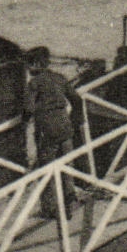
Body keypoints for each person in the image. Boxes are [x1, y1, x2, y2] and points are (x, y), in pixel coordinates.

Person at [23, 46, 81, 216]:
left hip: (48, 131)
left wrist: (24, 121)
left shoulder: (34, 83)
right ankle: (70, 203)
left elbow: (29, 108)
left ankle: (50, 209)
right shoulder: (59, 78)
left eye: (29, 65)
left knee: (47, 170)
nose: (28, 69)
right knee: (67, 166)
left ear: (37, 64)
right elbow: (77, 99)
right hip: (65, 127)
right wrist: (76, 121)